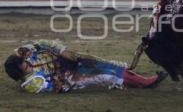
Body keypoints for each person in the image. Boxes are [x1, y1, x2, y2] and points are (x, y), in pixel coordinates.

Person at [4, 40, 168, 93]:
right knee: (106, 74)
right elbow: (58, 87)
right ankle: (144, 83)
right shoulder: (32, 83)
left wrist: (61, 51)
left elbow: (42, 43)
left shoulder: (25, 54)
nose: (27, 62)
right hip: (70, 76)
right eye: (24, 64)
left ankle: (136, 79)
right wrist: (60, 76)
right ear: (20, 70)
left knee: (102, 63)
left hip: (66, 61)